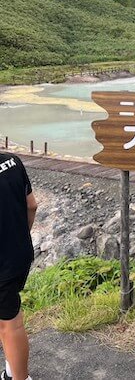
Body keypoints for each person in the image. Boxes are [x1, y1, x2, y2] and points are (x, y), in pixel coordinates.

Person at [0, 153, 37, 380]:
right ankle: (12, 369)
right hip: (18, 254)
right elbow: (31, 205)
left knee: (10, 324)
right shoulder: (12, 161)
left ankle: (20, 377)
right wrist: (22, 236)